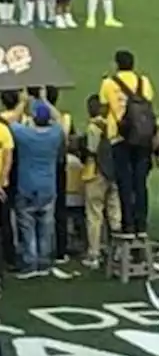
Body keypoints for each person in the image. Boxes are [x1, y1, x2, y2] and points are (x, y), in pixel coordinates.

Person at [98, 49, 155, 236]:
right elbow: (148, 103)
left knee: (125, 181)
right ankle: (141, 224)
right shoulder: (143, 81)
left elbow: (103, 107)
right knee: (140, 183)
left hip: (120, 136)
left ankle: (128, 224)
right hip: (143, 137)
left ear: (116, 64)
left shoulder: (108, 83)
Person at [10, 100, 64, 276]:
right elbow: (61, 119)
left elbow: (11, 121)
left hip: (27, 186)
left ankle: (30, 263)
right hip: (48, 187)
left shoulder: (25, 135)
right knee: (46, 226)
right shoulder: (55, 135)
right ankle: (44, 262)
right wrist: (45, 100)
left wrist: (22, 101)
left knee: (27, 226)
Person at [80, 94, 121, 268]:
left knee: (94, 215)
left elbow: (91, 150)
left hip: (95, 173)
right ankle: (119, 252)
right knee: (114, 214)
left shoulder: (93, 127)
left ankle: (94, 254)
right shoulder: (114, 124)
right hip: (114, 174)